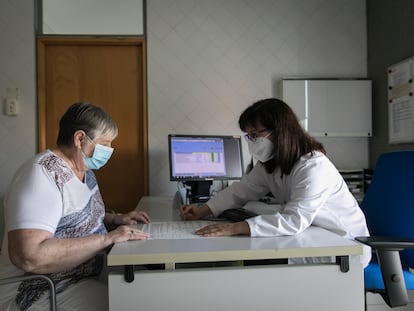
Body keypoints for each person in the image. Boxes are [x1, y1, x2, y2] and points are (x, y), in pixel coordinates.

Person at [180, 98, 371, 267]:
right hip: (310, 236)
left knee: (254, 259)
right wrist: (203, 209)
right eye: (249, 136)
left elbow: (294, 220)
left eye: (255, 134)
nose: (251, 141)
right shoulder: (270, 165)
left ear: (279, 131)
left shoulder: (314, 167)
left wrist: (234, 228)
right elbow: (241, 190)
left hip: (343, 246)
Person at [0, 102, 150, 310]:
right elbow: (29, 256)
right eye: (105, 143)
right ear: (80, 139)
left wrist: (115, 219)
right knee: (127, 304)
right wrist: (107, 239)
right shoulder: (41, 175)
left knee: (149, 286)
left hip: (86, 272)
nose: (109, 150)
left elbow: (73, 213)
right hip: (42, 288)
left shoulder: (83, 170)